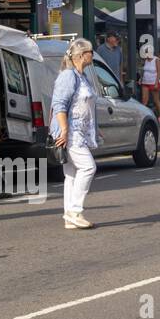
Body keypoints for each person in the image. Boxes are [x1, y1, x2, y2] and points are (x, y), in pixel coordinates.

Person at [50, 37, 99, 230]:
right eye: (90, 52)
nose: (92, 55)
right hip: (71, 132)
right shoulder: (68, 76)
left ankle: (69, 217)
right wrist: (64, 130)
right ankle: (75, 211)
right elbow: (59, 105)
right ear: (81, 55)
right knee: (88, 167)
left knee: (71, 174)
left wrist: (96, 129)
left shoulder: (82, 76)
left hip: (80, 131)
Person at [139, 46, 160, 126]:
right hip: (145, 82)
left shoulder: (156, 60)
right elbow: (144, 71)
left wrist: (156, 83)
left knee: (156, 100)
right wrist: (141, 79)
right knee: (144, 100)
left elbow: (159, 72)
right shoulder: (146, 60)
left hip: (154, 82)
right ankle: (143, 117)